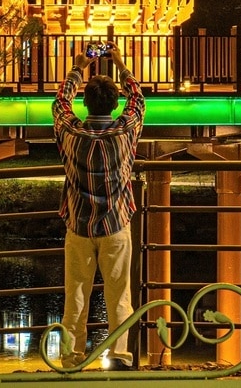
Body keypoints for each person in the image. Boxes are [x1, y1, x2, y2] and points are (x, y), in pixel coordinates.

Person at [53, 46, 145, 370]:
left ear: (85, 102)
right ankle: (118, 356)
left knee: (75, 297)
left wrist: (79, 67)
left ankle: (71, 357)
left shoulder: (72, 133)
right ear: (114, 103)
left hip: (79, 226)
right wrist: (120, 63)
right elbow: (139, 101)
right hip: (116, 225)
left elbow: (59, 104)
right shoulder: (124, 132)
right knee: (119, 296)